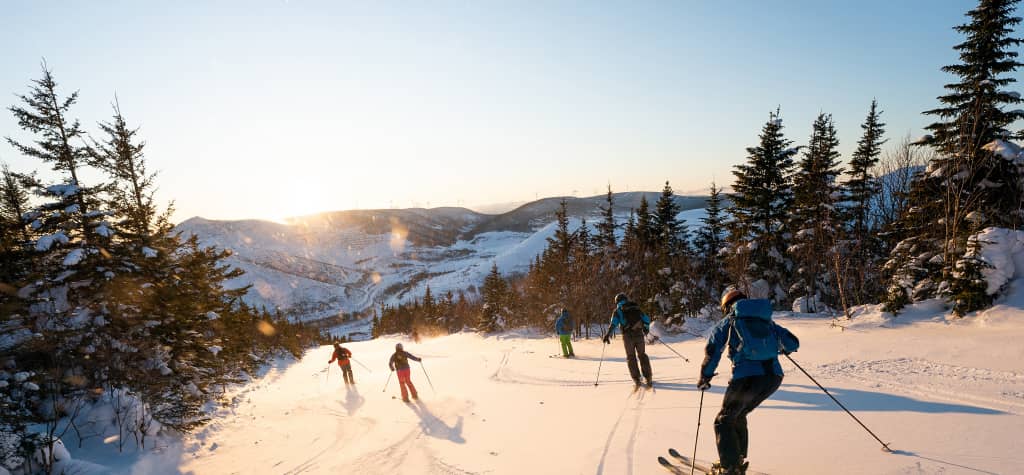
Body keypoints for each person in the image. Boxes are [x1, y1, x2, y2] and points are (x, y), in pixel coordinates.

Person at [698, 286, 800, 475]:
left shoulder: (731, 320)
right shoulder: (767, 321)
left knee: (724, 420)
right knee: (737, 415)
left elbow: (713, 349)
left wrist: (705, 375)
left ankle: (730, 467)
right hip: (772, 378)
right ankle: (736, 460)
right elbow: (793, 342)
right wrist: (779, 349)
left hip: (746, 378)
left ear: (727, 306)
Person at [602, 293, 653, 388]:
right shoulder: (635, 307)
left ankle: (636, 378)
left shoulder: (617, 311)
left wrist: (608, 335)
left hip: (627, 336)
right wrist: (646, 328)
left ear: (617, 301)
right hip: (639, 334)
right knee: (642, 354)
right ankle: (648, 376)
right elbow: (646, 319)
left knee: (631, 356)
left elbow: (613, 324)